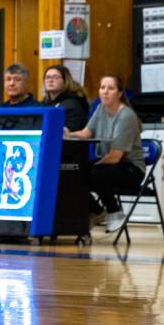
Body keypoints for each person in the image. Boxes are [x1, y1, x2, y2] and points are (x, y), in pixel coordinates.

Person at [65, 75, 145, 232]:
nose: (105, 92)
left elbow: (116, 156)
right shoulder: (101, 108)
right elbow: (87, 132)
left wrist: (91, 167)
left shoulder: (126, 116)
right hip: (109, 164)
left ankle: (115, 213)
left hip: (131, 169)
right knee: (71, 171)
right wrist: (69, 134)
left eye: (110, 88)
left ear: (119, 93)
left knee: (95, 172)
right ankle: (96, 211)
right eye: (102, 88)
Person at [41, 65, 89, 132]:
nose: (50, 80)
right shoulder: (44, 103)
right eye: (47, 77)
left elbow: (70, 129)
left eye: (55, 77)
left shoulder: (72, 104)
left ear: (65, 81)